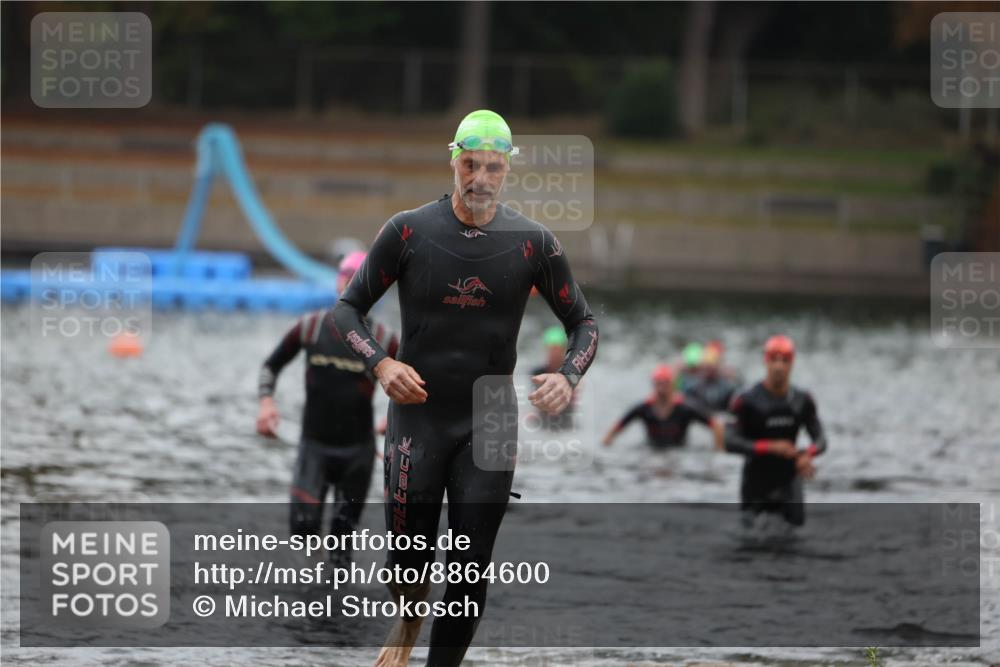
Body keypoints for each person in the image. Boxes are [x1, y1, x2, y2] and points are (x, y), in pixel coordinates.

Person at [331, 109, 598, 667]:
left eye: (493, 168)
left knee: (472, 566)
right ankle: (407, 621)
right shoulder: (407, 230)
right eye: (470, 165)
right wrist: (382, 365)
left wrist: (568, 376)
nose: (480, 179)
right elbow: (347, 312)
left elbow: (585, 325)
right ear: (453, 160)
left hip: (491, 416)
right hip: (419, 411)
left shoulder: (532, 242)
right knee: (409, 565)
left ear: (508, 170)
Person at [256, 251, 398, 565]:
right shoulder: (309, 328)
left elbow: (413, 386)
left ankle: (334, 605)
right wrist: (267, 403)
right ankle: (308, 591)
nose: (351, 285)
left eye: (359, 279)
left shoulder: (385, 339)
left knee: (341, 546)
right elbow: (271, 366)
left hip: (358, 453)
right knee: (304, 529)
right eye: (347, 277)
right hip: (314, 447)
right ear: (338, 281)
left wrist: (394, 419)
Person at [723, 334, 827, 527]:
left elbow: (821, 440)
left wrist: (807, 454)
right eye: (774, 360)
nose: (779, 367)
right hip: (756, 481)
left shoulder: (803, 400)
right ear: (766, 361)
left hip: (789, 480)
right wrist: (770, 447)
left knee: (795, 539)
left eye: (785, 361)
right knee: (750, 541)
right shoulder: (746, 400)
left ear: (792, 363)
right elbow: (729, 442)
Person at [602, 364, 723, 450]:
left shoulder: (685, 408)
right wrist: (605, 445)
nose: (661, 389)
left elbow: (716, 425)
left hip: (679, 452)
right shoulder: (644, 408)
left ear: (672, 386)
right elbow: (617, 427)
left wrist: (719, 451)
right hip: (652, 451)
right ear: (653, 385)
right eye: (658, 384)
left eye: (665, 384)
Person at [528, 326, 575, 430]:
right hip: (543, 422)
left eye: (559, 349)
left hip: (565, 422)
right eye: (552, 349)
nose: (555, 354)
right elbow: (532, 399)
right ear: (546, 350)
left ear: (565, 351)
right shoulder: (537, 373)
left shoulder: (571, 373)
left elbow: (575, 399)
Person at [686, 340, 739, 412]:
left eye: (711, 368)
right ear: (702, 367)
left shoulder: (727, 387)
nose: (708, 371)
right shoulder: (693, 387)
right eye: (707, 367)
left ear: (717, 367)